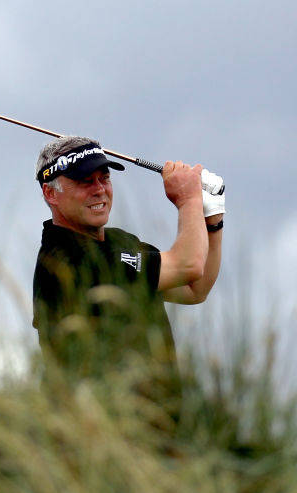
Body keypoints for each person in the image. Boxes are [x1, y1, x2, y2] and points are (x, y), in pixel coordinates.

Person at [32, 136, 224, 380]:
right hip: (100, 414)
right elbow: (188, 266)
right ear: (50, 193)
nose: (99, 190)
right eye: (85, 182)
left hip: (154, 414)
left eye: (104, 178)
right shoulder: (65, 258)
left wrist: (212, 217)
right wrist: (188, 200)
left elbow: (194, 288)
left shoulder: (120, 242)